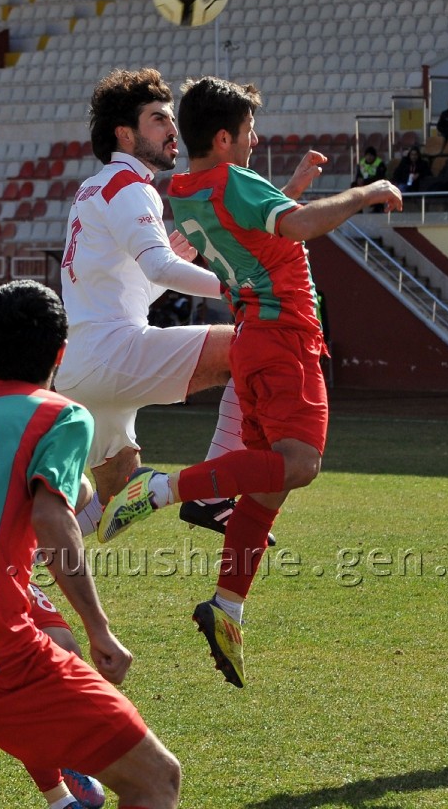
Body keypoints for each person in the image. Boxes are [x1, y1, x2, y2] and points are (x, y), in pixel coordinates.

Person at [99, 76, 402, 689]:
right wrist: (363, 191)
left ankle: (227, 607)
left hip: (254, 342)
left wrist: (286, 191)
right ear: (222, 136)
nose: (255, 139)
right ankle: (162, 488)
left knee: (265, 486)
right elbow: (294, 228)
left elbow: (245, 228)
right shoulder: (232, 182)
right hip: (284, 338)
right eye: (247, 132)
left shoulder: (184, 190)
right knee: (299, 464)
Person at [0, 279, 180, 809]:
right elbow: (51, 518)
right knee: (156, 779)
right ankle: (61, 792)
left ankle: (59, 792)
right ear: (60, 353)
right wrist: (100, 629)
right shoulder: (59, 413)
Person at [55, 68, 282, 545]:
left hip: (82, 364)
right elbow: (159, 268)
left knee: (115, 482)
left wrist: (169, 268)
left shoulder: (93, 188)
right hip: (112, 352)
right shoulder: (128, 185)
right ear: (125, 133)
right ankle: (213, 492)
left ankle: (27, 566)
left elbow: (138, 285)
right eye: (158, 119)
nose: (172, 130)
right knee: (251, 350)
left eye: (171, 119)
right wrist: (233, 290)